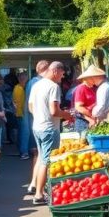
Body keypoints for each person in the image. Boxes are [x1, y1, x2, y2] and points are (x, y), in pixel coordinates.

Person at [28, 61, 72, 205]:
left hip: (37, 127)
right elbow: (54, 111)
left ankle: (38, 188)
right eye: (62, 73)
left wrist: (40, 116)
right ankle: (39, 194)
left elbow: (30, 107)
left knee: (41, 157)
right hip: (49, 129)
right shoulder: (54, 87)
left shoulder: (36, 85)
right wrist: (67, 115)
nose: (63, 76)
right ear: (55, 71)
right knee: (46, 161)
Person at [74, 64, 106, 132]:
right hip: (84, 121)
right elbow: (78, 107)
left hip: (92, 120)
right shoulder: (81, 88)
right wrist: (91, 117)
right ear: (89, 78)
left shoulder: (93, 88)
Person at [13, 71, 29, 159]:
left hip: (19, 113)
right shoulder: (19, 89)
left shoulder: (17, 88)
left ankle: (21, 151)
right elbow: (20, 103)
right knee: (24, 133)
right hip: (21, 114)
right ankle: (24, 152)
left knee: (21, 133)